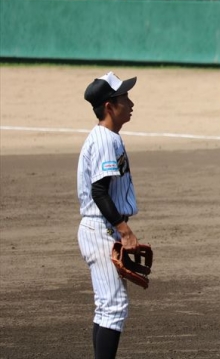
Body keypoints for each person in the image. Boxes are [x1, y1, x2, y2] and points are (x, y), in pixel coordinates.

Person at [77, 71, 141, 359]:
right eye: (124, 98)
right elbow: (99, 191)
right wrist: (124, 231)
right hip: (101, 228)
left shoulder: (108, 136)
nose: (131, 103)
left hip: (101, 227)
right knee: (114, 308)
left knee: (106, 308)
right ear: (109, 106)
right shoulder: (105, 140)